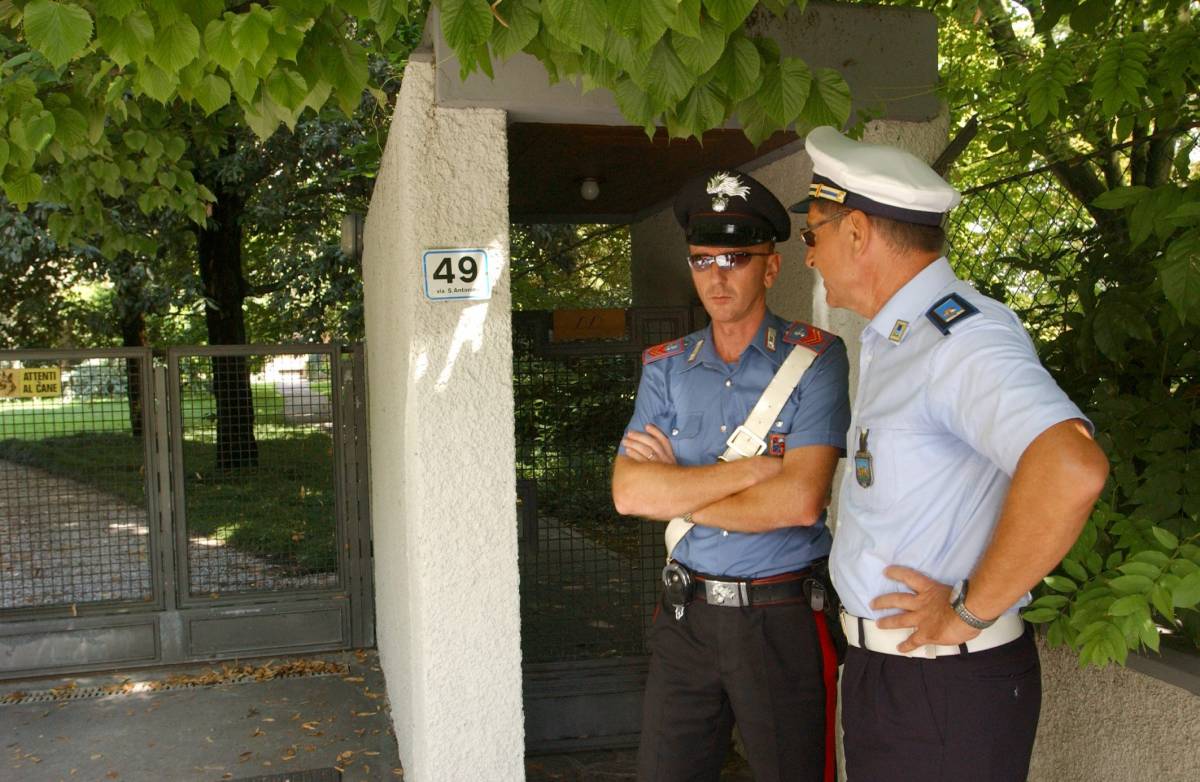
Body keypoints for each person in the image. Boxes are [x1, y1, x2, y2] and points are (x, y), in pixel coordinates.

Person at [792, 126, 1110, 781]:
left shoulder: (959, 340)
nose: (809, 257)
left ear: (857, 233)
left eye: (812, 234)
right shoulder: (898, 339)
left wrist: (967, 611)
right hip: (897, 680)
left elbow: (1071, 465)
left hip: (943, 690)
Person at [611, 169, 851, 782]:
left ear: (770, 269)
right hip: (686, 615)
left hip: (781, 618)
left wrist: (678, 491)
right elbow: (629, 491)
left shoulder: (815, 358)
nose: (716, 275)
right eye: (702, 259)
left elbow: (799, 502)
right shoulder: (665, 367)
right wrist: (752, 471)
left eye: (735, 258)